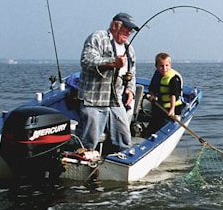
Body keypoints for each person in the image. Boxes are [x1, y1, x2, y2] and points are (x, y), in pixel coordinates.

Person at [77, 12, 139, 152]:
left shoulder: (130, 49)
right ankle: (86, 160)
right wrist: (112, 63)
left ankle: (122, 161)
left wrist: (130, 90)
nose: (129, 32)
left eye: (131, 29)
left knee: (124, 139)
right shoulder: (98, 37)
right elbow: (86, 60)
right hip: (93, 100)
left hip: (116, 101)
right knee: (89, 142)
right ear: (114, 25)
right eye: (126, 28)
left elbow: (132, 73)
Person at [142, 53, 184, 137]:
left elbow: (173, 95)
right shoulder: (157, 75)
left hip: (173, 107)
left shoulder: (173, 78)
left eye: (166, 65)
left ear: (170, 65)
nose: (164, 68)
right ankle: (147, 134)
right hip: (160, 105)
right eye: (161, 66)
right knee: (154, 123)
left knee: (163, 124)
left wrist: (172, 109)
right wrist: (152, 95)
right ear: (156, 66)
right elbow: (151, 88)